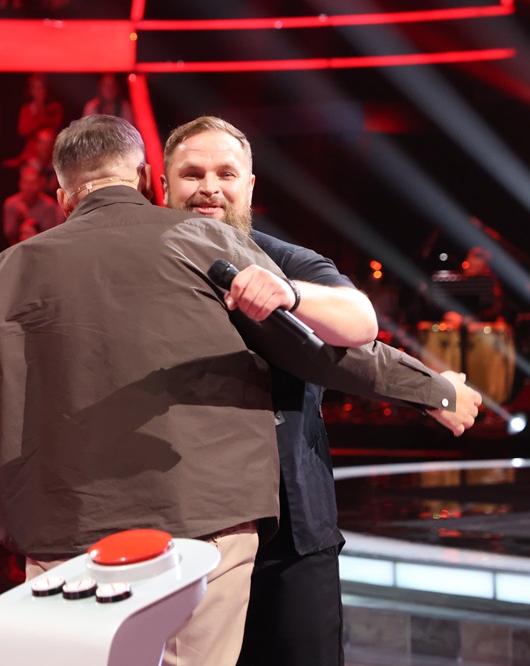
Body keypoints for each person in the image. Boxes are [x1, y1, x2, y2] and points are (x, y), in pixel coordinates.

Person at [0, 115, 304, 666]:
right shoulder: (211, 241)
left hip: (65, 527)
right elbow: (335, 350)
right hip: (205, 525)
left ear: (62, 197)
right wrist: (422, 388)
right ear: (144, 177)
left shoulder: (11, 267)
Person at [160, 115, 482, 666]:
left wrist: (288, 293)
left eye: (225, 173)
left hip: (292, 535)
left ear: (249, 185)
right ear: (162, 184)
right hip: (180, 530)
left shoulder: (288, 261)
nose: (209, 187)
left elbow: (356, 328)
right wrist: (433, 389)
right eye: (192, 174)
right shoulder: (143, 272)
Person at [1, 164, 64, 245]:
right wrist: (17, 218)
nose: (29, 187)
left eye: (33, 183)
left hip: (41, 247)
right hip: (15, 247)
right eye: (26, 182)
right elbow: (9, 234)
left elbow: (48, 235)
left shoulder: (49, 206)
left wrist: (26, 215)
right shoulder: (11, 204)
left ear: (40, 184)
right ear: (20, 183)